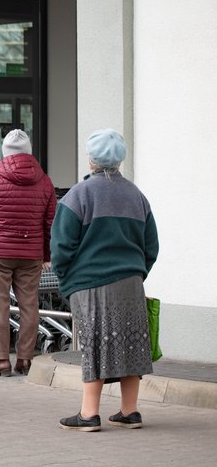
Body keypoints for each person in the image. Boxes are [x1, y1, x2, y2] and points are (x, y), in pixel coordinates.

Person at [52, 129, 158, 432]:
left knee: (94, 343)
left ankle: (89, 414)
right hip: (131, 281)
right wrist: (137, 272)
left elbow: (60, 247)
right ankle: (130, 411)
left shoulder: (79, 195)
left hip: (89, 283)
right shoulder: (137, 196)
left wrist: (66, 277)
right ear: (120, 159)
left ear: (91, 159)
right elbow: (152, 246)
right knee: (132, 343)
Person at [0, 129, 55, 377]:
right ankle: (25, 359)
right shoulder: (45, 181)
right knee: (29, 305)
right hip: (31, 253)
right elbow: (51, 224)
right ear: (29, 152)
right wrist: (46, 255)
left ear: (5, 152)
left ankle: (1, 361)